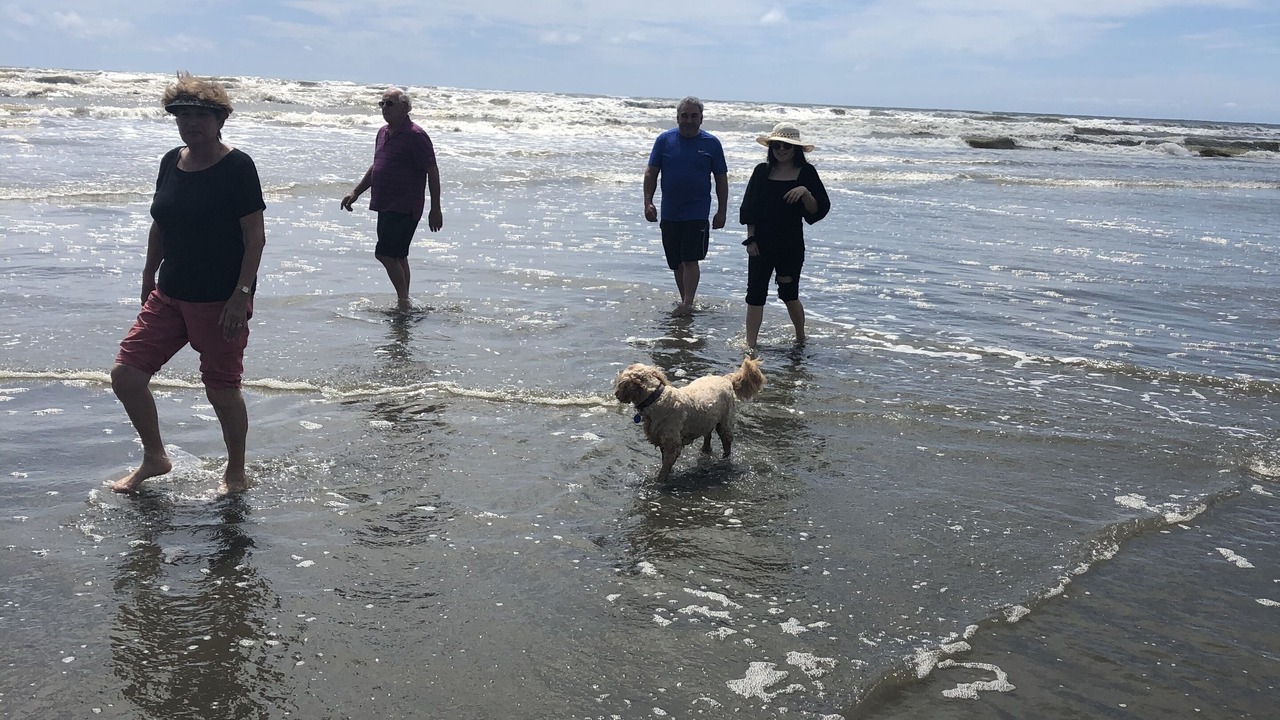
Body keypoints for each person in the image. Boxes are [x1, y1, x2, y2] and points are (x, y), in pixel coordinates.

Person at [109, 72, 267, 494]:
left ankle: (236, 471)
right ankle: (155, 457)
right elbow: (161, 222)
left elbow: (255, 237)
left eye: (200, 115)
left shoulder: (237, 166)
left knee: (221, 388)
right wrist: (148, 273)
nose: (191, 123)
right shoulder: (170, 161)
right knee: (126, 376)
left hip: (220, 299)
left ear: (220, 119)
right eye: (182, 115)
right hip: (170, 293)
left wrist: (241, 295)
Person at [341, 87, 443, 310]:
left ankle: (403, 302)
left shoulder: (416, 135)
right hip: (385, 203)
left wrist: (435, 209)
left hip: (405, 206)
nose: (384, 108)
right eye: (382, 104)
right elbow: (377, 166)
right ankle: (405, 302)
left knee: (384, 254)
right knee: (398, 255)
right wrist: (356, 192)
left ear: (405, 108)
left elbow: (432, 171)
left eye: (390, 104)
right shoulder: (382, 132)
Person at [738, 123, 831, 349]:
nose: (781, 149)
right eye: (777, 145)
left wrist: (805, 192)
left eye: (787, 145)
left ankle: (800, 336)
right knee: (755, 294)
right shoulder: (762, 171)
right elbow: (749, 208)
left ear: (795, 148)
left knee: (789, 294)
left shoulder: (807, 173)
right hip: (760, 243)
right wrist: (750, 240)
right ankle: (750, 345)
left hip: (790, 245)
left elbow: (818, 210)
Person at [643, 96, 729, 316]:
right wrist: (648, 202)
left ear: (701, 118)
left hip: (697, 212)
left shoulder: (711, 143)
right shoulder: (664, 140)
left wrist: (722, 211)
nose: (689, 120)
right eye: (684, 115)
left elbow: (721, 178)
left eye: (693, 116)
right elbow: (651, 172)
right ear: (677, 117)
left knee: (690, 259)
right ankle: (685, 300)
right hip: (671, 212)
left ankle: (688, 303)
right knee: (676, 262)